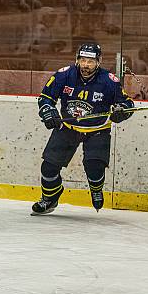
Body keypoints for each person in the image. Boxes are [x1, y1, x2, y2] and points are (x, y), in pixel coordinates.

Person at [32, 42, 134, 215]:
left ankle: (96, 189)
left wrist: (121, 111)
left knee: (94, 166)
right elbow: (45, 98)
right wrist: (49, 111)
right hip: (68, 127)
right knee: (48, 167)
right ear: (77, 59)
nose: (86, 65)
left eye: (91, 61)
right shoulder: (63, 75)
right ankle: (50, 198)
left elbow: (127, 103)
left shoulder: (109, 81)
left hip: (98, 129)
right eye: (83, 60)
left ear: (99, 61)